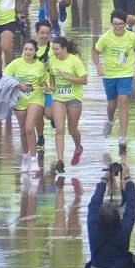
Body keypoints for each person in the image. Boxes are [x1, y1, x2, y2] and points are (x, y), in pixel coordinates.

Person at [94, 11, 135, 150]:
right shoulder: (105, 37)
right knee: (111, 105)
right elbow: (96, 52)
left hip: (126, 75)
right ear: (112, 24)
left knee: (123, 102)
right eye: (115, 24)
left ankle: (123, 137)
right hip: (109, 76)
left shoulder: (131, 36)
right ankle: (110, 121)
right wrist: (98, 66)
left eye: (121, 24)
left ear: (125, 24)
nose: (118, 27)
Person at [5, 39, 51, 174]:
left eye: (31, 49)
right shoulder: (15, 64)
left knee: (29, 127)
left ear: (35, 51)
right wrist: (19, 85)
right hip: (19, 99)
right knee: (23, 131)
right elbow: (5, 78)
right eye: (26, 49)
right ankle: (25, 157)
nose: (28, 52)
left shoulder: (40, 66)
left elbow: (46, 81)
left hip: (35, 98)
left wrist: (46, 86)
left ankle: (33, 159)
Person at [49, 36, 89, 173]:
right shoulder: (52, 61)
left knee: (72, 129)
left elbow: (84, 80)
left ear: (64, 48)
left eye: (57, 49)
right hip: (58, 99)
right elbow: (52, 76)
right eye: (53, 49)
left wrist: (67, 77)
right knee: (59, 129)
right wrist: (50, 87)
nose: (54, 52)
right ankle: (60, 160)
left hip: (74, 99)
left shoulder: (75, 61)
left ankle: (78, 148)